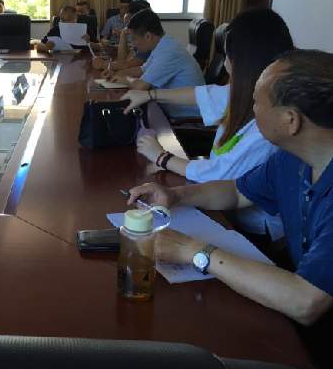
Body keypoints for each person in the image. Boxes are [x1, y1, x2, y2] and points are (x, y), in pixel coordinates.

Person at [126, 50, 333, 330]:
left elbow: (305, 301)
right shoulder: (291, 158)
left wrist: (193, 251)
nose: (251, 109)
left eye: (257, 102)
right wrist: (177, 195)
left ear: (290, 120)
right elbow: (237, 192)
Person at [120, 8, 295, 241]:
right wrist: (150, 95)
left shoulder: (269, 122)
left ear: (242, 62)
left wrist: (162, 157)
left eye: (228, 56)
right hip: (221, 204)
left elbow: (221, 178)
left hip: (250, 228)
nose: (226, 64)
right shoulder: (247, 92)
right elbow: (204, 94)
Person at [110, 9, 204, 118]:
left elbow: (140, 86)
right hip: (167, 110)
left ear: (148, 36)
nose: (133, 44)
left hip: (185, 118)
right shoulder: (163, 45)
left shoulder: (169, 51)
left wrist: (126, 79)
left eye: (134, 39)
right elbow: (142, 69)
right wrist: (119, 73)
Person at [93, 0, 151, 72]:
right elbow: (123, 61)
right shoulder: (140, 38)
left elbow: (127, 65)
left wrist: (103, 64)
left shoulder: (148, 40)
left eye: (130, 24)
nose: (129, 28)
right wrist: (123, 34)